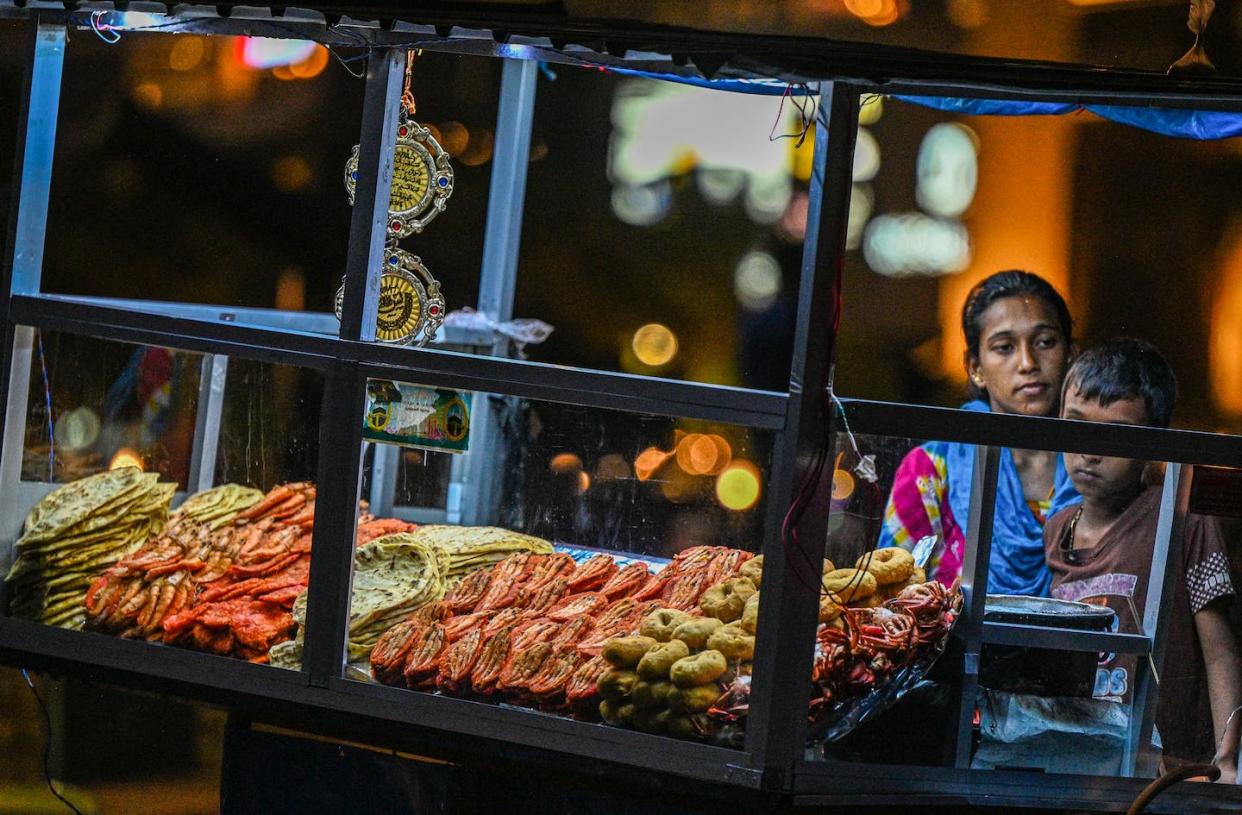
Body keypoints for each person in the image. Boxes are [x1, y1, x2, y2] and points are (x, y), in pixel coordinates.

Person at [1045, 338, 1241, 779]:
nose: (1089, 452)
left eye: (1115, 435)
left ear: (1153, 443)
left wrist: (1227, 761)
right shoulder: (1056, 531)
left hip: (1174, 771)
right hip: (1087, 762)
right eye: (1076, 425)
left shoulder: (1183, 521)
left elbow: (1220, 649)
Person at [879, 270, 1079, 595]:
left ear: (1071, 354)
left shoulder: (1097, 464)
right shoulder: (931, 471)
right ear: (976, 368)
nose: (1028, 362)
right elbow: (893, 596)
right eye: (1004, 347)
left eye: (1045, 342)